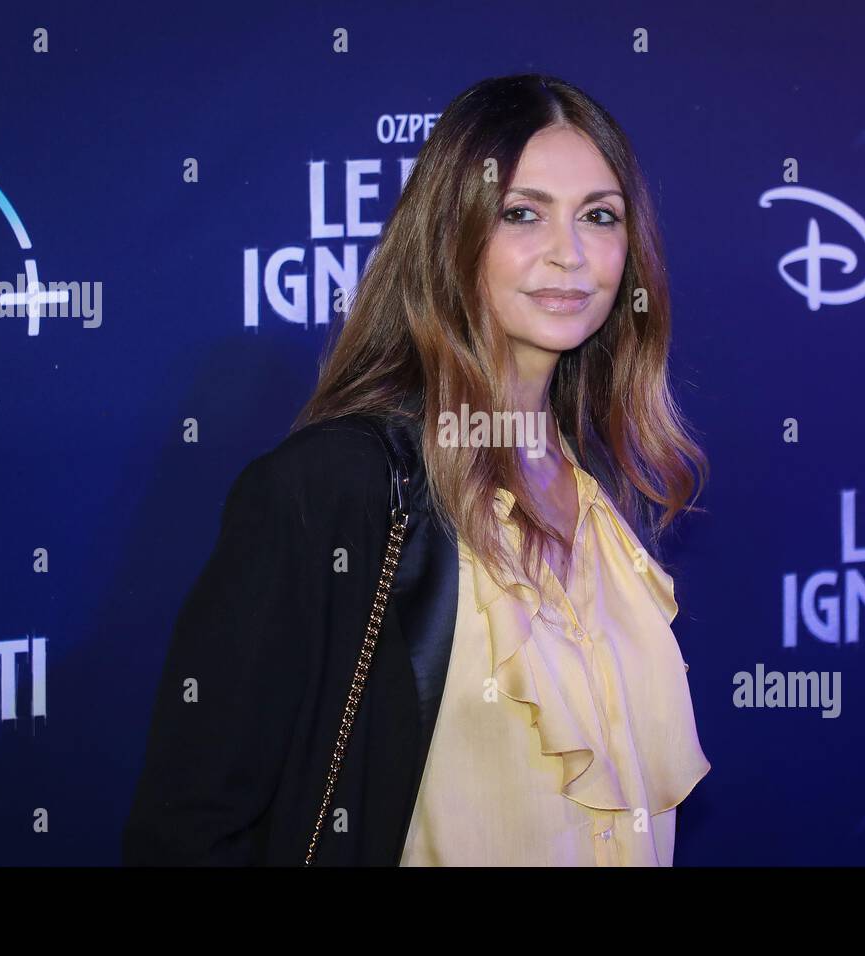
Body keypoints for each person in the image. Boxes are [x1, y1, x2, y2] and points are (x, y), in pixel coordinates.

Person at [122, 73, 711, 867]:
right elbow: (190, 828)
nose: (570, 254)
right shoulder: (337, 488)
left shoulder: (596, 491)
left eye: (599, 217)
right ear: (451, 234)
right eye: (522, 213)